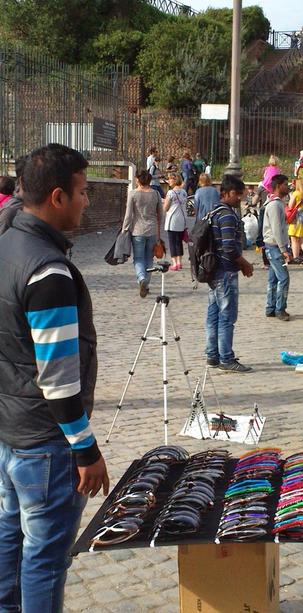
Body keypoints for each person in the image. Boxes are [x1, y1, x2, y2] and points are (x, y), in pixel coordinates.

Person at [0, 143, 109, 612]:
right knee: (44, 558)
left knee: (8, 541)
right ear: (59, 197)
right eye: (84, 191)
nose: (88, 201)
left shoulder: (6, 243)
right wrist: (86, 451)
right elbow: (59, 380)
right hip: (45, 442)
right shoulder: (47, 271)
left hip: (9, 430)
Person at [205, 175, 254, 373]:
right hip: (225, 272)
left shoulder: (214, 212)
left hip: (215, 271)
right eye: (236, 193)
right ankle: (226, 357)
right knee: (226, 316)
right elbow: (229, 248)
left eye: (241, 194)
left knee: (213, 315)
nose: (239, 197)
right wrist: (245, 264)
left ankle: (212, 355)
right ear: (225, 193)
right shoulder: (226, 215)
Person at [122, 169, 162, 298]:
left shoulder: (133, 194)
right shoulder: (155, 194)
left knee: (138, 258)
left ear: (138, 180)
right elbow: (160, 214)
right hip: (152, 230)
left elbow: (128, 215)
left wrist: (124, 230)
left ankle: (141, 278)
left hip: (137, 230)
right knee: (149, 258)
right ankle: (147, 284)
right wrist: (159, 232)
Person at [263, 174, 292, 320]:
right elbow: (276, 229)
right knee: (284, 278)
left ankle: (270, 308)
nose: (288, 187)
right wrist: (284, 250)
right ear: (279, 186)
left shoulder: (276, 203)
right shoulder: (274, 205)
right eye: (286, 184)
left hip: (273, 246)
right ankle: (280, 309)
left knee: (273, 279)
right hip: (274, 247)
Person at [163, 173, 187, 271]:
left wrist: (163, 202)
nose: (168, 181)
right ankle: (180, 262)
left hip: (172, 220)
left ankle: (174, 263)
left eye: (170, 179)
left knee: (172, 242)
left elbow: (166, 207)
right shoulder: (184, 192)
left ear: (174, 180)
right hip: (181, 219)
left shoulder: (171, 193)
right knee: (179, 242)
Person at [287, 178, 303, 263]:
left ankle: (295, 257)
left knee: (294, 239)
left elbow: (290, 206)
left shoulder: (296, 193)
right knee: (301, 239)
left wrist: (290, 197)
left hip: (296, 219)